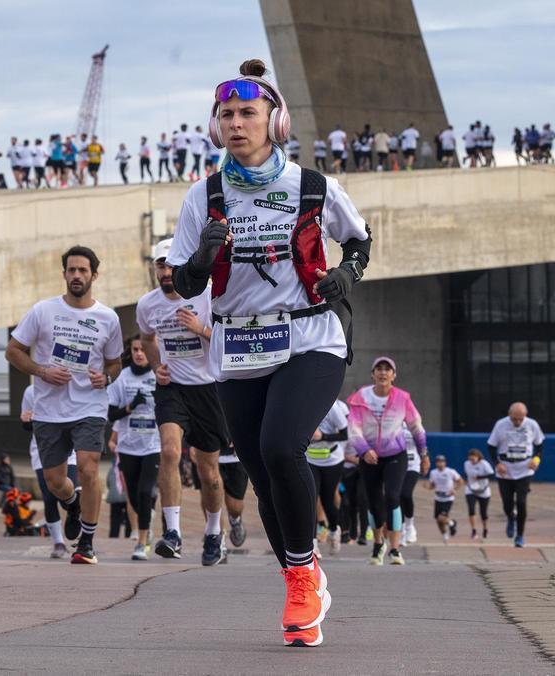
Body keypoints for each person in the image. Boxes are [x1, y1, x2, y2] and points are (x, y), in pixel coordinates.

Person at [168, 59, 371, 648]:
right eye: (226, 114)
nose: (236, 123)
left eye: (247, 113)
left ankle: (304, 575)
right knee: (260, 469)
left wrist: (346, 276)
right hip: (238, 343)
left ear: (273, 121)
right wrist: (202, 261)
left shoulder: (313, 187)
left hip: (311, 336)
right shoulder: (203, 196)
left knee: (284, 445)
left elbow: (358, 238)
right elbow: (183, 283)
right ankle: (299, 581)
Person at [5, 245, 123, 565]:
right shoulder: (43, 311)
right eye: (71, 270)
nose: (76, 275)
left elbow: (114, 363)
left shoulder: (108, 318)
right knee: (55, 481)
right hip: (48, 409)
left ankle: (86, 542)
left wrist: (107, 379)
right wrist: (42, 370)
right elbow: (13, 351)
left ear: (94, 276)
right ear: (64, 274)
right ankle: (73, 503)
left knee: (87, 468)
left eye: (83, 270)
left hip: (90, 407)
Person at [137, 238, 231, 566]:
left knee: (209, 472)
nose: (166, 272)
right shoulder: (147, 305)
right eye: (160, 265)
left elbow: (229, 338)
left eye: (171, 265)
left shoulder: (208, 295)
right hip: (172, 387)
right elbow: (147, 338)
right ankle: (173, 533)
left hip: (208, 389)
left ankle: (213, 533)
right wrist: (155, 365)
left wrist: (201, 328)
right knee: (170, 451)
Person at [347, 357, 427, 567]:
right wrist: (364, 450)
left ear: (394, 375)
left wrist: (424, 454)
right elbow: (353, 430)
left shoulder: (402, 398)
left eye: (387, 370)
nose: (383, 373)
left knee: (393, 496)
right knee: (374, 503)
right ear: (372, 374)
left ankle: (395, 548)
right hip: (369, 457)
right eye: (379, 369)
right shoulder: (359, 398)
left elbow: (416, 427)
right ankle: (378, 544)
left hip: (395, 455)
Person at [106, 336, 161, 561]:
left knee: (145, 492)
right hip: (128, 446)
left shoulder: (158, 375)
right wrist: (130, 406)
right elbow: (111, 414)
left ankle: (141, 541)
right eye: (136, 350)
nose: (140, 353)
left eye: (143, 350)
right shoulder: (122, 378)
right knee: (135, 498)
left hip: (152, 444)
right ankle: (146, 519)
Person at [22, 384, 79, 558]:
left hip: (68, 449)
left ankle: (73, 509)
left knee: (65, 493)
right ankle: (58, 542)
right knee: (48, 496)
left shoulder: (72, 387)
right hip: (42, 449)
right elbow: (25, 425)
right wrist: (27, 421)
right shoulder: (31, 391)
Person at [487, 402, 544, 547]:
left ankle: (520, 535)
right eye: (514, 419)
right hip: (505, 469)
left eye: (520, 419)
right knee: (507, 503)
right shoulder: (500, 425)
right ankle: (510, 517)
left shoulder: (532, 425)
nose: (517, 422)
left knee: (521, 502)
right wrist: (497, 464)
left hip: (524, 468)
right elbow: (491, 446)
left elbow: (539, 445)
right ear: (509, 415)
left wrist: (536, 459)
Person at [308, 399, 349, 555]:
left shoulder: (332, 407)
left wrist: (323, 436)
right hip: (309, 458)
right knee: (311, 498)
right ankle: (312, 545)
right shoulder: (302, 402)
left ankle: (333, 529)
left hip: (332, 459)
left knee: (327, 499)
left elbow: (344, 434)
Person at [399, 423, 430, 545]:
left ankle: (409, 526)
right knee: (396, 497)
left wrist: (425, 459)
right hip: (397, 463)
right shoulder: (391, 420)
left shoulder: (414, 423)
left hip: (413, 464)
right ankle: (400, 530)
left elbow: (422, 444)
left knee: (406, 494)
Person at [427, 455, 461, 539]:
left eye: (442, 462)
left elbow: (460, 481)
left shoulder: (450, 472)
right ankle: (444, 533)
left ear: (445, 463)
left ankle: (452, 523)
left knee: (441, 518)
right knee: (438, 520)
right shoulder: (433, 472)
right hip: (438, 498)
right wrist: (427, 486)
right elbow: (432, 485)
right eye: (438, 462)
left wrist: (454, 489)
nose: (440, 464)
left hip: (448, 498)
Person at [464, 448, 493, 539]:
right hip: (471, 489)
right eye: (470, 459)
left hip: (483, 490)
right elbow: (469, 474)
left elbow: (491, 474)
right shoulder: (467, 464)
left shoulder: (484, 464)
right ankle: (474, 530)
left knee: (483, 512)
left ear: (478, 457)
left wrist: (480, 477)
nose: (471, 461)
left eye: (473, 459)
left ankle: (485, 529)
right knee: (471, 509)